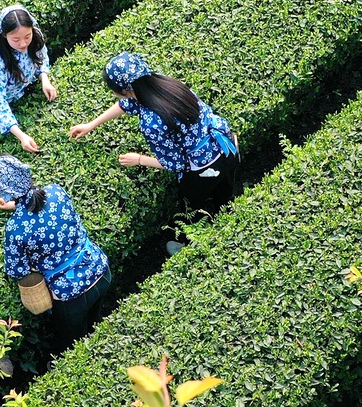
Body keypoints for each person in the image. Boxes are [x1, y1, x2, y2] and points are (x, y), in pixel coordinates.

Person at [69, 52, 239, 255]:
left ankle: (191, 242)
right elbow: (126, 104)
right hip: (227, 145)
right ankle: (228, 212)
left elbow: (176, 164)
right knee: (226, 194)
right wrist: (91, 125)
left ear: (125, 90)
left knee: (192, 208)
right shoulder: (164, 84)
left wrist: (139, 159)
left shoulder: (152, 122)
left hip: (203, 168)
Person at [0, 154, 111, 353]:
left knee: (74, 347)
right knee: (97, 325)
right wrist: (16, 205)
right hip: (99, 269)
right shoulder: (56, 191)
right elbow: (39, 204)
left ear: (3, 190)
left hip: (71, 294)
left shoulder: (16, 228)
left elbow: (16, 271)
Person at [0, 4, 57, 154]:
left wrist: (44, 79)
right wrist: (21, 136)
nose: (23, 43)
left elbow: (41, 56)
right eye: (15, 39)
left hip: (21, 90)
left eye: (27, 36)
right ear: (4, 35)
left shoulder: (36, 36)